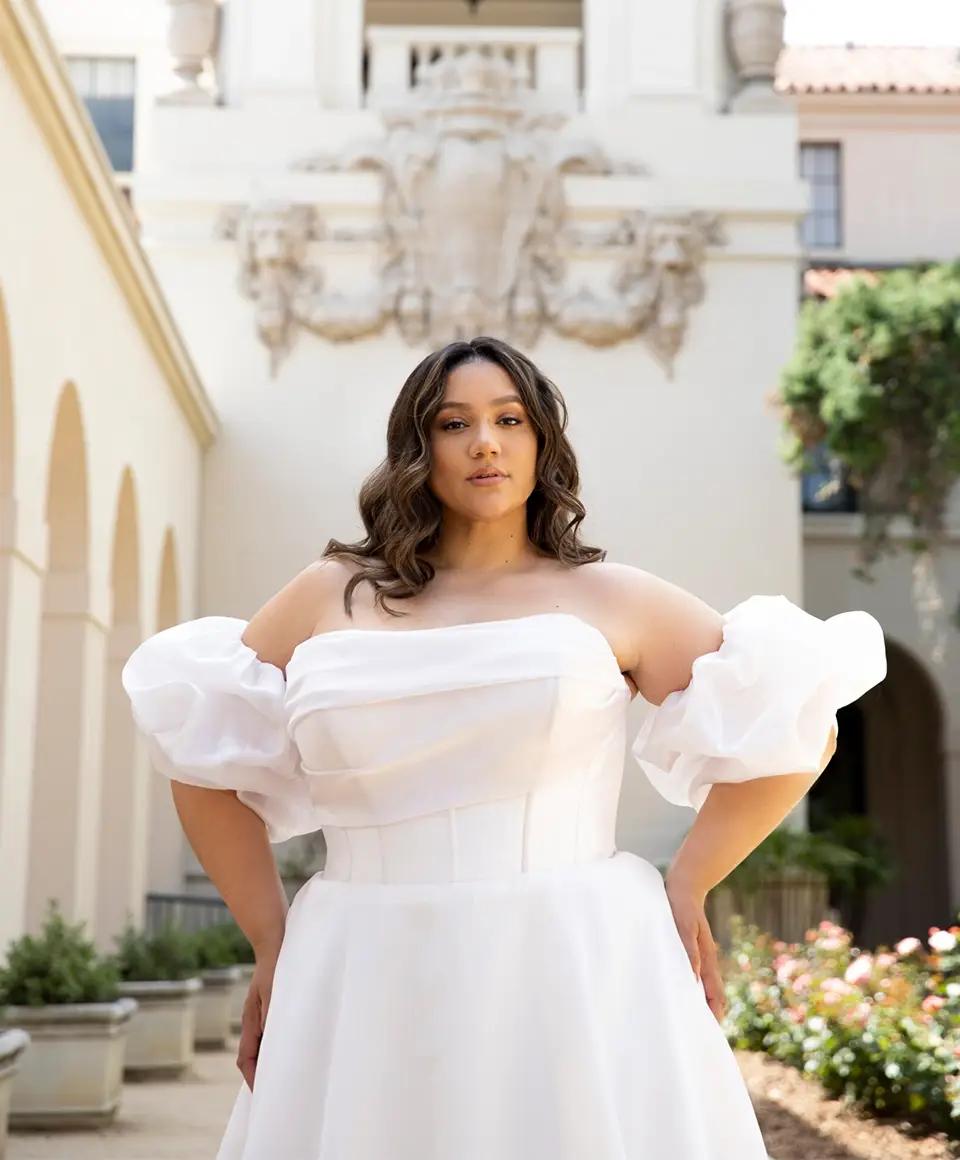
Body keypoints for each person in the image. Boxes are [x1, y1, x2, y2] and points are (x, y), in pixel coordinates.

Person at [121, 335, 887, 1159]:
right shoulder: (330, 593)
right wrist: (273, 944)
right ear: (420, 449)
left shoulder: (611, 597)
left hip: (571, 952)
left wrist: (691, 880)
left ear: (540, 441)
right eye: (454, 423)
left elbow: (796, 718)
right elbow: (198, 753)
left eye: (509, 419)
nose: (485, 442)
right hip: (357, 962)